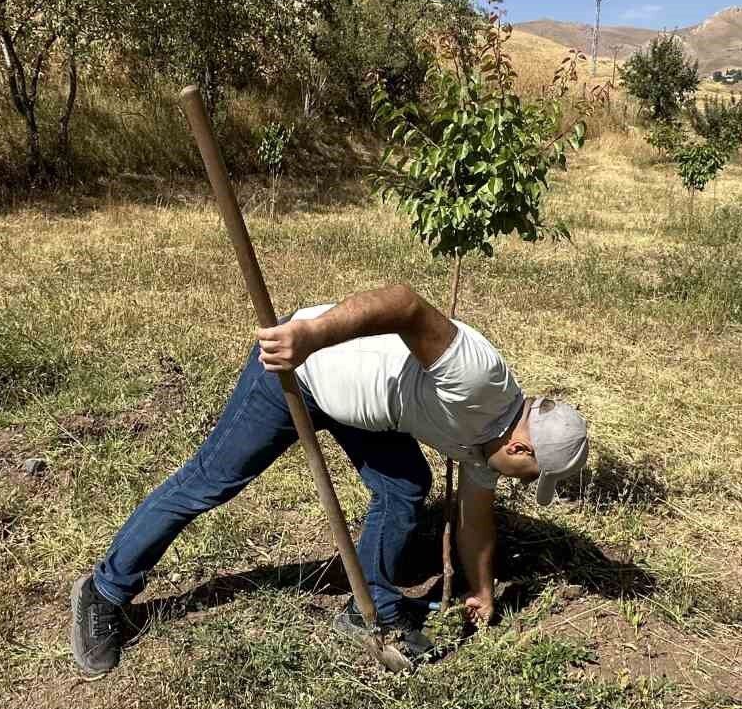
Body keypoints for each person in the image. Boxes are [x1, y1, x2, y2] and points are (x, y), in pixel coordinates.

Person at [70, 283, 589, 678]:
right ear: (521, 447)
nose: (522, 484)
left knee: (404, 487)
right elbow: (404, 303)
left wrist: (481, 589)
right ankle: (103, 591)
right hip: (301, 368)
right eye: (531, 476)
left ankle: (368, 607)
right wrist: (308, 336)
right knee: (211, 481)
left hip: (362, 408)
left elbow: (476, 520)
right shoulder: (478, 379)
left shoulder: (489, 449)